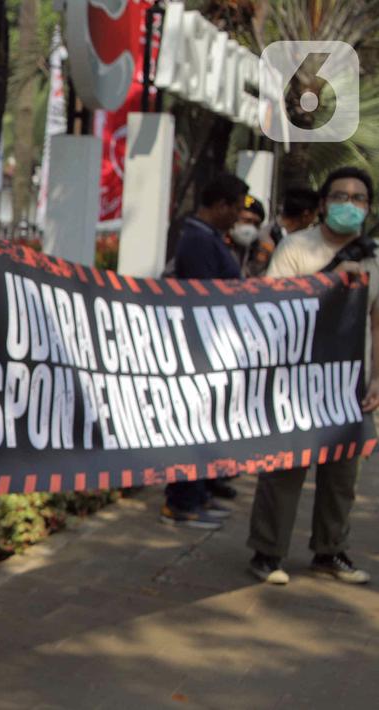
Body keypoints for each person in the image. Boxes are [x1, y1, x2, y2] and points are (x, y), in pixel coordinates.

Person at [248, 166, 379, 586]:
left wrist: (376, 378)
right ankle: (268, 553)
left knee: (343, 474)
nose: (349, 204)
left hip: (351, 381)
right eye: (340, 196)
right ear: (323, 204)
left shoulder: (374, 257)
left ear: (369, 208)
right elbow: (274, 310)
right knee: (285, 468)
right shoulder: (296, 249)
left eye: (358, 199)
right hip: (297, 380)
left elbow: (378, 323)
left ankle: (329, 551)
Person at [161, 173, 252, 528]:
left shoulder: (208, 237)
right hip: (201, 350)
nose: (239, 219)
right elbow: (203, 297)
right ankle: (181, 502)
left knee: (205, 427)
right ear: (221, 206)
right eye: (236, 209)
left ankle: (197, 495)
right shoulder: (198, 241)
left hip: (215, 349)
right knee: (193, 426)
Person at [229, 195, 272, 278]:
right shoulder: (220, 243)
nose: (251, 227)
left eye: (256, 223)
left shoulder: (262, 248)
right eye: (246, 221)